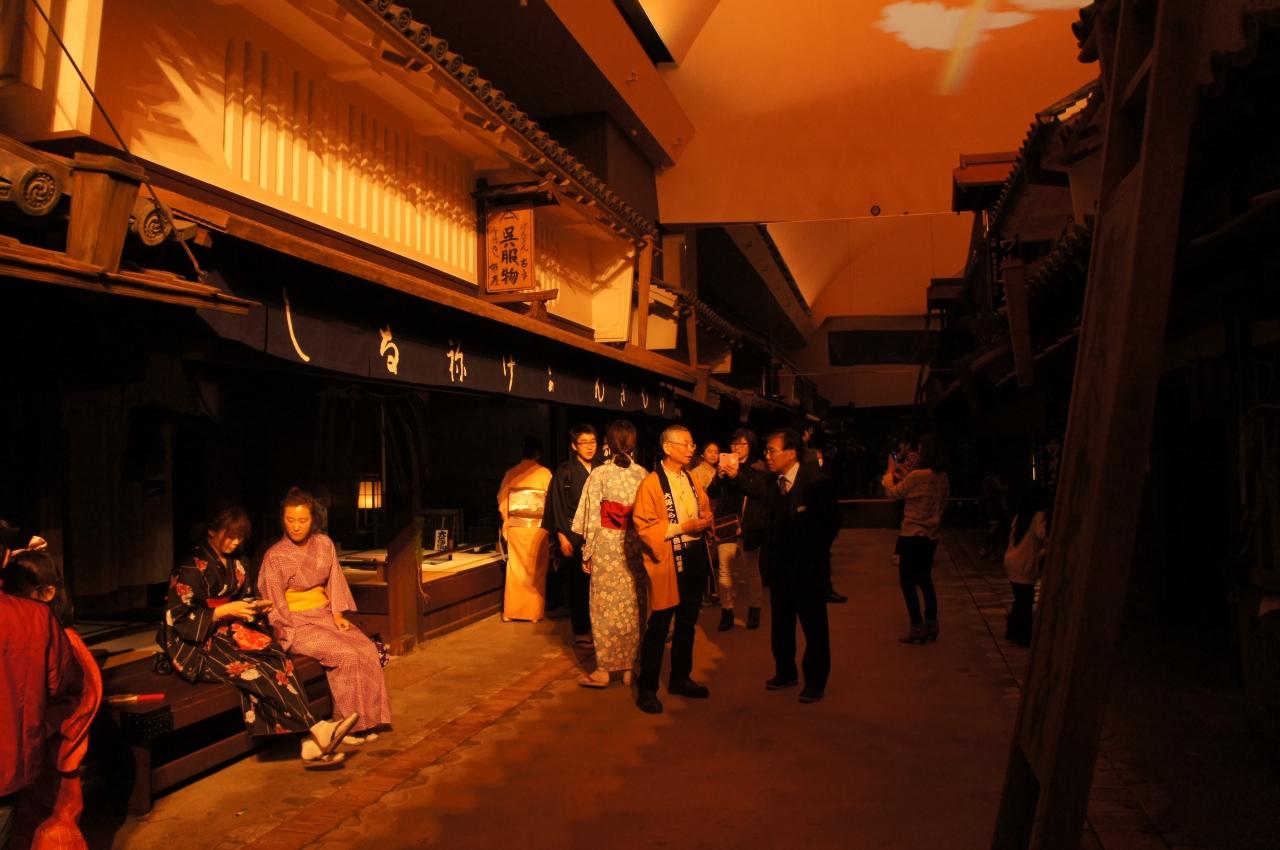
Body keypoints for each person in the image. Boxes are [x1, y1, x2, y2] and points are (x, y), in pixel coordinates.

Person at [156, 504, 356, 768]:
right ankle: (316, 729)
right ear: (212, 531)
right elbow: (179, 616)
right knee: (254, 670)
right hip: (195, 641)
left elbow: (245, 596)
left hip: (230, 630)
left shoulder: (239, 561)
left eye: (239, 537)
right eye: (229, 536)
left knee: (278, 658)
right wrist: (226, 610)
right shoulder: (190, 566)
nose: (235, 542)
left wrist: (255, 608)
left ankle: (309, 743)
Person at [259, 488, 391, 745]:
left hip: (325, 614)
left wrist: (338, 613)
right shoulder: (275, 556)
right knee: (345, 654)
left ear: (313, 519)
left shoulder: (324, 544)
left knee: (366, 649)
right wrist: (286, 631)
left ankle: (368, 720)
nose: (296, 526)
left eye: (302, 520)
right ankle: (345, 725)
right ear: (282, 519)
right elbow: (273, 600)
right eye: (290, 520)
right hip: (296, 621)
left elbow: (335, 580)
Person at [2, 549, 101, 850]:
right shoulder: (35, 620)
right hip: (21, 761)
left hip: (43, 757)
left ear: (47, 592)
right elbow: (73, 689)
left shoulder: (48, 627)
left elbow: (80, 696)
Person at [632, 424, 714, 714]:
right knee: (659, 624)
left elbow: (704, 507)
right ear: (667, 448)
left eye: (692, 444)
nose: (691, 449)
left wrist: (705, 519)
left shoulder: (691, 478)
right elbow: (644, 525)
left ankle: (680, 677)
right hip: (668, 556)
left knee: (687, 622)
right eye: (685, 444)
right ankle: (647, 688)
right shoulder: (652, 483)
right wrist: (684, 527)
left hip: (694, 555)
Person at [761, 427, 840, 704]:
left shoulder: (816, 482)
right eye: (767, 450)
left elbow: (831, 523)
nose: (767, 456)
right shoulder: (773, 482)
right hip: (780, 570)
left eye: (772, 450)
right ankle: (785, 672)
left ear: (791, 453)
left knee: (814, 628)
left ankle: (815, 681)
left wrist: (812, 553)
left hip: (808, 571)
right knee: (781, 626)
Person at [570, 420, 648, 688]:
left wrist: (587, 552)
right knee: (634, 606)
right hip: (634, 546)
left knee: (604, 607)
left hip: (606, 547)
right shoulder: (643, 475)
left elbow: (592, 517)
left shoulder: (599, 474)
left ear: (609, 444)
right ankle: (631, 666)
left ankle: (604, 669)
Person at [883, 434, 950, 645]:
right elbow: (939, 500)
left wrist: (889, 473)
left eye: (921, 450)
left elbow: (893, 493)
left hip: (912, 533)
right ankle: (932, 622)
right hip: (932, 535)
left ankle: (917, 626)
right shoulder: (942, 476)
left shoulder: (918, 475)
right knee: (925, 579)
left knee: (907, 581)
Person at [542, 424, 599, 647]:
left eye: (592, 442)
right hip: (574, 534)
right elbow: (556, 504)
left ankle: (597, 628)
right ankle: (581, 631)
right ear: (574, 446)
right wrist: (561, 536)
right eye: (584, 443)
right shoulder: (565, 471)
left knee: (597, 586)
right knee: (578, 585)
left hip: (599, 533)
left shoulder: (601, 469)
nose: (589, 447)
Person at [714, 429, 767, 631]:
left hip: (748, 525)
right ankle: (726, 612)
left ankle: (755, 609)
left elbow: (758, 491)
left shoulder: (757, 466)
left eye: (741, 444)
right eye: (733, 443)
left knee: (751, 570)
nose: (736, 447)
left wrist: (737, 475)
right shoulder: (724, 464)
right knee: (724, 570)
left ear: (750, 446)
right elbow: (712, 492)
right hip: (726, 524)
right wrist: (718, 477)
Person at [497, 436, 553, 622]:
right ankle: (532, 613)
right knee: (536, 569)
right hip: (537, 528)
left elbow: (502, 500)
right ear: (538, 453)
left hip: (516, 527)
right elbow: (551, 502)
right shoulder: (544, 474)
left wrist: (507, 520)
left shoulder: (511, 473)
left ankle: (510, 612)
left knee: (515, 568)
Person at [1004, 485, 1050, 647]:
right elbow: (1044, 536)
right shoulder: (1039, 516)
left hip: (1012, 560)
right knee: (1025, 600)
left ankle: (1013, 630)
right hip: (1025, 563)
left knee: (1020, 599)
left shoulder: (1020, 515)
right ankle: (1023, 635)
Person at [690, 441, 721, 607]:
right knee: (706, 556)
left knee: (715, 556)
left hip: (718, 516)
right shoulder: (696, 472)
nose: (714, 455)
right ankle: (705, 593)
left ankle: (712, 591)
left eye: (716, 452)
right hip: (706, 517)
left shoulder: (719, 471)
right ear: (702, 454)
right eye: (710, 451)